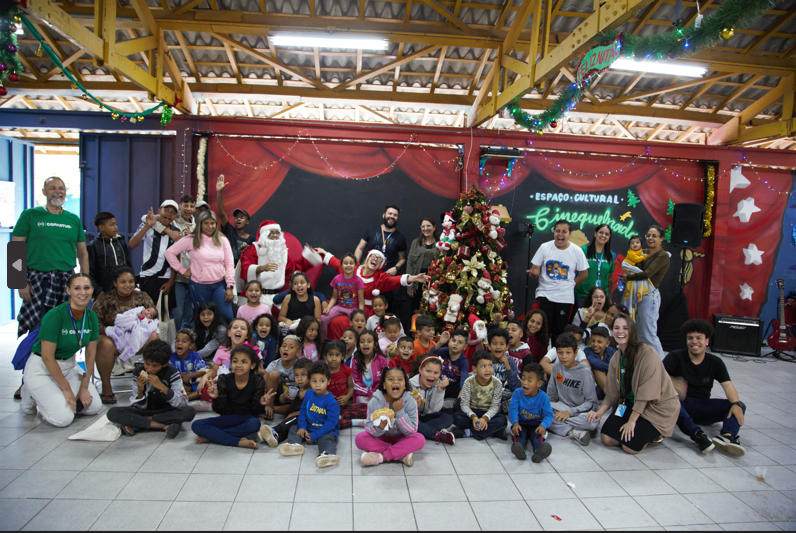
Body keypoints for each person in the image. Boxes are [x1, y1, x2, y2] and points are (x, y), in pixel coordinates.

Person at [13, 176, 90, 398]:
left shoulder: (72, 219)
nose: (58, 192)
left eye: (61, 188)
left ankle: (59, 378)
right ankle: (27, 382)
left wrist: (84, 282)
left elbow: (82, 253)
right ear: (45, 191)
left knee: (66, 332)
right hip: (38, 283)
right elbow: (16, 248)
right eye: (53, 188)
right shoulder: (31, 215)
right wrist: (19, 282)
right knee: (38, 332)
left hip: (66, 283)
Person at [586, 314, 679, 454]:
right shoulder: (617, 357)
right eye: (616, 328)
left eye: (625, 328)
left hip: (653, 407)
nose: (620, 332)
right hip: (629, 404)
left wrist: (632, 421)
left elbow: (646, 393)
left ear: (633, 331)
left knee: (629, 447)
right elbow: (612, 391)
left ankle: (655, 434)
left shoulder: (647, 354)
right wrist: (600, 412)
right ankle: (637, 431)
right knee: (607, 439)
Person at [19, 273, 102, 427]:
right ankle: (29, 392)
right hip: (42, 368)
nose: (82, 292)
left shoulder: (91, 317)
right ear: (68, 291)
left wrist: (84, 387)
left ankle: (53, 392)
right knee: (63, 419)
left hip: (68, 366)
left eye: (87, 288)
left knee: (93, 407)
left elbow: (90, 354)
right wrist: (67, 390)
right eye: (77, 288)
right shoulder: (55, 315)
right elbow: (47, 357)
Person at [664, 319, 747, 456]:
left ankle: (727, 436)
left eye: (699, 338)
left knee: (738, 405)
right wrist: (673, 381)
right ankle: (698, 436)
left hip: (703, 406)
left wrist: (735, 403)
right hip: (680, 404)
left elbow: (728, 386)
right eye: (690, 338)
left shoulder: (715, 362)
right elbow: (656, 378)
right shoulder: (675, 357)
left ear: (707, 341)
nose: (694, 341)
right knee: (671, 400)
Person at [319, 248, 428, 340]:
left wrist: (415, 278)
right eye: (373, 257)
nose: (375, 259)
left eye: (379, 259)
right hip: (346, 305)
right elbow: (338, 264)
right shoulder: (354, 268)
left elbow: (397, 279)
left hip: (365, 310)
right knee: (332, 321)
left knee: (344, 323)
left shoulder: (380, 279)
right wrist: (324, 253)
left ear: (380, 265)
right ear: (368, 258)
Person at [93, 266, 158, 404]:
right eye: (123, 282)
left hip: (138, 338)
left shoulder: (142, 296)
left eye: (131, 281)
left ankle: (153, 383)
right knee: (104, 343)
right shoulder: (105, 298)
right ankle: (106, 386)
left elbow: (152, 318)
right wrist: (111, 331)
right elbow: (94, 321)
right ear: (115, 283)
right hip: (113, 338)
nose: (128, 285)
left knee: (154, 337)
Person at [107, 339, 196, 437]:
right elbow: (139, 406)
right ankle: (162, 425)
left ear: (164, 364)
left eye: (155, 366)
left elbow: (183, 402)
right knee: (112, 412)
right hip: (145, 411)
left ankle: (139, 423)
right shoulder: (138, 372)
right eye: (147, 364)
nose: (149, 369)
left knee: (189, 411)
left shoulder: (172, 372)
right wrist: (140, 390)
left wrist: (162, 387)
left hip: (166, 410)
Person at [192, 346, 274, 448]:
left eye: (244, 362)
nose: (238, 365)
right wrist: (216, 397)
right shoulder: (224, 379)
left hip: (247, 419)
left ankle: (212, 436)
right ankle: (238, 441)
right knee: (196, 425)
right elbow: (220, 410)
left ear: (252, 365)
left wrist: (261, 403)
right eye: (235, 361)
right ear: (231, 363)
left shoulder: (257, 380)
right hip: (227, 418)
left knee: (255, 424)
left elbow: (255, 411)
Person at [165, 210, 236, 324]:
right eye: (206, 223)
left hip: (219, 284)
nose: (210, 226)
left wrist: (230, 286)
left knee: (226, 317)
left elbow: (229, 264)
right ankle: (204, 341)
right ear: (200, 224)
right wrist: (182, 270)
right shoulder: (191, 239)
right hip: (199, 286)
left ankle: (225, 342)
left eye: (212, 223)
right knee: (204, 320)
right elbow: (169, 253)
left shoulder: (222, 240)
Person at [527, 219, 589, 342]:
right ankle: (539, 358)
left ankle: (556, 359)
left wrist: (570, 286)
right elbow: (535, 271)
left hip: (565, 298)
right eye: (557, 231)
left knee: (560, 332)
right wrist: (533, 274)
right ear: (554, 232)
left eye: (564, 232)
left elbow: (584, 274)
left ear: (570, 234)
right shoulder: (544, 247)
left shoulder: (577, 251)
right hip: (545, 294)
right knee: (542, 331)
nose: (560, 234)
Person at [238, 220, 318, 309]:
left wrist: (308, 258)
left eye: (277, 233)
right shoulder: (253, 249)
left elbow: (292, 268)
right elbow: (245, 268)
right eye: (271, 233)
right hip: (257, 296)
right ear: (264, 234)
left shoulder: (281, 251)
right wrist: (261, 268)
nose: (275, 235)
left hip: (276, 297)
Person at [278, 361, 341, 468]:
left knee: (328, 438)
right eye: (314, 381)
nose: (317, 385)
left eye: (322, 381)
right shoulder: (308, 394)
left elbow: (331, 424)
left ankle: (327, 454)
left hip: (324, 430)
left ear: (328, 381)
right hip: (309, 427)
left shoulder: (332, 402)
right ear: (310, 381)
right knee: (294, 428)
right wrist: (302, 427)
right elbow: (303, 411)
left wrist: (316, 435)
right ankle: (294, 444)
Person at [357, 367, 424, 467]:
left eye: (400, 379)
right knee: (360, 438)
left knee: (420, 439)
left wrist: (399, 411)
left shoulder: (410, 402)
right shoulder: (375, 401)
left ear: (405, 385)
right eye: (391, 379)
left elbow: (412, 430)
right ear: (384, 385)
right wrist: (379, 428)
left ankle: (381, 457)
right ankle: (400, 454)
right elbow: (368, 427)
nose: (395, 382)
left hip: (402, 438)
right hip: (381, 438)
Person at [354, 206, 408, 327]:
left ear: (397, 218)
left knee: (386, 310)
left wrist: (396, 268)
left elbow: (403, 258)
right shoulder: (372, 230)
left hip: (385, 279)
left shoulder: (400, 237)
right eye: (390, 213)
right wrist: (355, 265)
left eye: (395, 215)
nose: (392, 216)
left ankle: (384, 337)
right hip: (369, 278)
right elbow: (360, 248)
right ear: (384, 215)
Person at [623, 225, 670, 357]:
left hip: (649, 296)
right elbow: (630, 264)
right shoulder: (642, 253)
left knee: (649, 333)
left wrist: (629, 277)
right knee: (639, 333)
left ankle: (662, 368)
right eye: (648, 235)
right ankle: (645, 364)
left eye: (654, 236)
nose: (650, 238)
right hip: (636, 295)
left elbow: (648, 273)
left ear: (661, 239)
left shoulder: (663, 255)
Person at [546, 333, 599, 446]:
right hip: (561, 407)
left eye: (568, 352)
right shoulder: (557, 366)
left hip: (580, 411)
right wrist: (547, 408)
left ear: (575, 353)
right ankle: (574, 431)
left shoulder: (585, 371)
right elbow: (550, 394)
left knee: (593, 422)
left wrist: (569, 413)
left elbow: (591, 402)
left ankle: (561, 424)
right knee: (541, 409)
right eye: (560, 353)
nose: (564, 356)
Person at [128, 201, 180, 306]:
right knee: (146, 313)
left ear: (175, 216)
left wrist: (171, 281)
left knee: (165, 315)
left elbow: (176, 259)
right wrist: (147, 226)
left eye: (172, 212)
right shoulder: (147, 225)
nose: (168, 214)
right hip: (147, 276)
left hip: (166, 278)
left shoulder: (176, 232)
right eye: (166, 210)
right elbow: (132, 244)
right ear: (159, 211)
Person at [452, 350, 508, 440]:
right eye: (483, 366)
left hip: (488, 412)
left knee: (502, 419)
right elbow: (464, 404)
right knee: (456, 417)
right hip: (472, 411)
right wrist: (473, 417)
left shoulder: (497, 383)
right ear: (474, 369)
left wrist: (485, 418)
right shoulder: (469, 381)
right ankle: (492, 431)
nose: (488, 370)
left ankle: (468, 432)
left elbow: (495, 406)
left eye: (490, 365)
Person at [258, 358, 313, 447]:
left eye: (303, 375)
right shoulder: (295, 388)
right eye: (296, 375)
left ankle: (275, 430)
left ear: (310, 376)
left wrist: (296, 413)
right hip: (297, 420)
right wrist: (284, 396)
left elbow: (312, 410)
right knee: (291, 428)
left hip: (307, 418)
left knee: (293, 418)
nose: (299, 379)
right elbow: (281, 401)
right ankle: (276, 437)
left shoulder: (312, 391)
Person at [509, 362, 553, 462]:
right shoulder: (517, 393)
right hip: (521, 423)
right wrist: (515, 423)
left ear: (539, 383)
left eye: (529, 380)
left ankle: (539, 452)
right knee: (519, 434)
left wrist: (543, 426)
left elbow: (549, 415)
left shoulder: (544, 397)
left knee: (537, 436)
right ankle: (520, 450)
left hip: (536, 424)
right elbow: (513, 409)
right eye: (523, 378)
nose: (524, 382)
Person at [408, 355, 455, 445]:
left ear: (440, 373)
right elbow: (406, 413)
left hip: (426, 417)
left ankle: (419, 431)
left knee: (448, 418)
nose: (432, 375)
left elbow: (435, 409)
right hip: (413, 418)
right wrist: (415, 405)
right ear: (420, 370)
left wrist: (440, 390)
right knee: (409, 423)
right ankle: (435, 434)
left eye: (436, 373)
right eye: (428, 371)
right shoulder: (410, 384)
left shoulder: (438, 384)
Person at [88, 211, 132, 299]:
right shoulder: (93, 246)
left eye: (116, 224)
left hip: (124, 291)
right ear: (101, 227)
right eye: (112, 225)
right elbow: (89, 272)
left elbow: (128, 265)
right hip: (104, 293)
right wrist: (98, 292)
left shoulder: (121, 242)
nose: (116, 227)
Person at [321, 253, 365, 338]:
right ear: (341, 265)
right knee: (323, 318)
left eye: (351, 263)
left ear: (355, 265)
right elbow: (334, 297)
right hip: (340, 307)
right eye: (346, 263)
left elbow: (361, 300)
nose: (348, 265)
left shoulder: (358, 280)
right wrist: (328, 308)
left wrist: (360, 313)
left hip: (353, 308)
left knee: (357, 323)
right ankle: (324, 341)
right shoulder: (337, 278)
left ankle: (357, 342)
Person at [171, 195, 197, 330]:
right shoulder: (173, 223)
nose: (188, 209)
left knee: (190, 313)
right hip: (178, 278)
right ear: (180, 206)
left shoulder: (197, 226)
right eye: (185, 205)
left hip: (194, 278)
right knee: (178, 312)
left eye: (192, 206)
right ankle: (174, 341)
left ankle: (187, 342)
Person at [215, 175, 254, 263]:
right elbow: (221, 213)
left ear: (247, 222)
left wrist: (249, 249)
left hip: (243, 273)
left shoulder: (252, 239)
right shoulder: (229, 231)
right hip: (227, 270)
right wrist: (219, 192)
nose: (238, 219)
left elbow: (255, 256)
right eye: (236, 217)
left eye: (242, 217)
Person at [575, 224, 615, 308]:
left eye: (606, 234)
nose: (603, 235)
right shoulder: (583, 250)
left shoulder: (610, 255)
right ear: (595, 234)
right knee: (582, 320)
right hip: (583, 296)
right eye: (601, 232)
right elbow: (573, 271)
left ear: (609, 237)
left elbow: (610, 278)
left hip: (601, 298)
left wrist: (609, 296)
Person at [406, 216, 440, 314]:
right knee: (416, 310)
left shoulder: (441, 243)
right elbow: (410, 263)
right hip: (418, 280)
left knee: (433, 309)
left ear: (434, 227)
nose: (426, 229)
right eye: (423, 226)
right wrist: (410, 285)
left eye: (428, 226)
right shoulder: (415, 243)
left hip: (434, 281)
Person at [264, 335, 301, 418]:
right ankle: (269, 406)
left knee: (290, 408)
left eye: (291, 347)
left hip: (292, 399)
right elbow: (263, 384)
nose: (286, 349)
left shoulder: (300, 366)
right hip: (276, 396)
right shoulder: (274, 364)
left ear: (298, 353)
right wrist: (266, 402)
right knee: (274, 374)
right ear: (280, 349)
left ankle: (271, 409)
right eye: (284, 346)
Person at [487, 327, 521, 413]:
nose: (498, 347)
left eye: (502, 344)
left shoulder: (510, 362)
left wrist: (508, 367)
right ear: (489, 346)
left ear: (507, 347)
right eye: (494, 343)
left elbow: (515, 387)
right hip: (488, 395)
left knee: (518, 396)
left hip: (504, 395)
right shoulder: (485, 360)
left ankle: (498, 410)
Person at [168, 329, 209, 401]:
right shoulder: (171, 358)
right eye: (177, 341)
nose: (179, 343)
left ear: (191, 345)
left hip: (193, 385)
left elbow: (205, 371)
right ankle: (191, 395)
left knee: (206, 386)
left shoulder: (194, 356)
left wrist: (190, 375)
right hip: (178, 385)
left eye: (184, 341)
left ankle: (185, 397)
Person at [352, 330, 388, 403]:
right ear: (358, 345)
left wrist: (378, 393)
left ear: (375, 344)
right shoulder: (354, 360)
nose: (365, 344)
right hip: (362, 395)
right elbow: (354, 382)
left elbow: (386, 378)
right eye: (362, 342)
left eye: (369, 341)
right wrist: (369, 394)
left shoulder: (381, 360)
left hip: (379, 393)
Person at [583, 326, 616, 398]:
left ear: (607, 344)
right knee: (597, 369)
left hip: (613, 384)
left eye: (599, 342)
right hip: (595, 391)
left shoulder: (611, 351)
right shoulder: (587, 351)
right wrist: (613, 368)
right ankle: (614, 398)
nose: (595, 344)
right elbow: (594, 362)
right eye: (593, 341)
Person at [436, 328, 469, 399]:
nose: (455, 344)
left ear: (465, 346)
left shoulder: (463, 361)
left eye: (460, 342)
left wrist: (459, 399)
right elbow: (431, 354)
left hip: (452, 390)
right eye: (453, 340)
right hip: (438, 385)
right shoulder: (443, 351)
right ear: (449, 341)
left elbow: (464, 379)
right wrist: (440, 343)